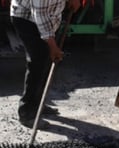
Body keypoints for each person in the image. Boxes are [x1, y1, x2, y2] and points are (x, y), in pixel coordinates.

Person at [10, 0, 81, 129]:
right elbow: (39, 15)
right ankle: (27, 113)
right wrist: (52, 45)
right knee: (37, 62)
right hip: (26, 18)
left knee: (46, 62)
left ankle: (38, 103)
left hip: (48, 16)